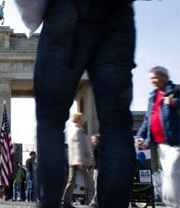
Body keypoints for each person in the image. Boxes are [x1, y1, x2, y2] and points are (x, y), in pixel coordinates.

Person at [31, 1, 137, 207]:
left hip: (65, 11)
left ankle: (50, 202)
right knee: (116, 125)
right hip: (117, 15)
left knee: (50, 120)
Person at [135, 66, 180, 207]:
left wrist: (175, 102)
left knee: (173, 172)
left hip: (175, 141)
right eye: (151, 79)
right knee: (166, 175)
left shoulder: (176, 91)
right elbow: (148, 119)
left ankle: (174, 204)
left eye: (155, 77)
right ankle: (170, 204)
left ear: (164, 77)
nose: (152, 81)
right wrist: (140, 135)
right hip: (160, 143)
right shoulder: (153, 97)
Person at [62, 113, 94, 208]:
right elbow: (78, 147)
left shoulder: (73, 130)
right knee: (89, 181)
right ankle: (93, 200)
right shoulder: (79, 131)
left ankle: (65, 202)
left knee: (71, 181)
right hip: (79, 161)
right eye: (82, 119)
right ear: (78, 120)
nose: (83, 120)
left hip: (73, 160)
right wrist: (80, 160)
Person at [89, 133, 100, 207]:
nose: (92, 141)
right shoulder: (102, 148)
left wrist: (91, 168)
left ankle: (94, 201)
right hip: (98, 169)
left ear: (98, 140)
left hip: (98, 169)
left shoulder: (97, 148)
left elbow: (92, 159)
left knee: (96, 186)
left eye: (93, 139)